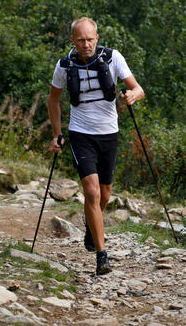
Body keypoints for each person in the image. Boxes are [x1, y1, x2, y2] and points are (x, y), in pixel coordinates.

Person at [47, 17, 144, 275]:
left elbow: (137, 88)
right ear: (73, 41)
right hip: (80, 134)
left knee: (105, 194)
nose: (86, 44)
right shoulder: (64, 65)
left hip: (108, 134)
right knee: (91, 192)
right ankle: (102, 256)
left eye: (90, 39)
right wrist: (57, 134)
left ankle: (92, 224)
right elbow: (53, 100)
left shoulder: (113, 59)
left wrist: (132, 95)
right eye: (81, 40)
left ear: (97, 38)